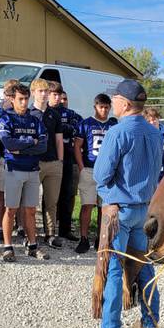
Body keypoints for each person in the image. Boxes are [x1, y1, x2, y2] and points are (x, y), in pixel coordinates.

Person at [79, 79, 162, 328]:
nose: (112, 102)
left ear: (124, 104)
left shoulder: (117, 132)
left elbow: (102, 175)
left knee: (114, 268)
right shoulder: (154, 133)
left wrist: (108, 195)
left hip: (120, 211)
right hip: (144, 209)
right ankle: (150, 323)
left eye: (115, 99)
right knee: (143, 266)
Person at [0, 83, 48, 262]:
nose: (24, 103)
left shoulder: (35, 121)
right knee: (11, 209)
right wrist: (30, 141)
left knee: (31, 210)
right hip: (14, 170)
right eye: (20, 99)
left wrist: (22, 146)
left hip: (32, 170)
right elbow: (8, 144)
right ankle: (8, 247)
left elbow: (43, 146)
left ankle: (32, 245)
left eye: (26, 99)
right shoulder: (5, 119)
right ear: (12, 99)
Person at [73, 93, 116, 253]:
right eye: (101, 107)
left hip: (107, 172)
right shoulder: (86, 124)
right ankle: (83, 238)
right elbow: (77, 146)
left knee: (103, 207)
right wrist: (82, 167)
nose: (104, 110)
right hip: (90, 169)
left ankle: (101, 238)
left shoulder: (114, 124)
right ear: (95, 107)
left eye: (106, 107)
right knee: (87, 205)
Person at [28, 78, 65, 249]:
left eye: (46, 91)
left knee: (51, 201)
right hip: (34, 163)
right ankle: (28, 233)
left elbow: (59, 140)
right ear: (33, 93)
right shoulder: (28, 114)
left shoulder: (54, 114)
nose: (44, 94)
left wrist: (60, 161)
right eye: (40, 91)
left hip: (53, 163)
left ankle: (50, 234)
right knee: (30, 201)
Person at [49, 83, 82, 241]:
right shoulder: (46, 113)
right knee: (50, 195)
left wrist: (62, 127)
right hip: (50, 157)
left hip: (68, 157)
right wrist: (63, 128)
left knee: (68, 194)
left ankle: (65, 229)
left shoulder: (71, 113)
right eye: (57, 96)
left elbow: (76, 128)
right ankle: (50, 229)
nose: (61, 100)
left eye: (63, 97)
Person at [0, 79, 20, 241]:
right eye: (8, 94)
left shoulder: (22, 112)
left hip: (20, 158)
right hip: (2, 156)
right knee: (2, 192)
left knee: (18, 192)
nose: (10, 98)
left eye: (14, 95)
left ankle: (17, 224)